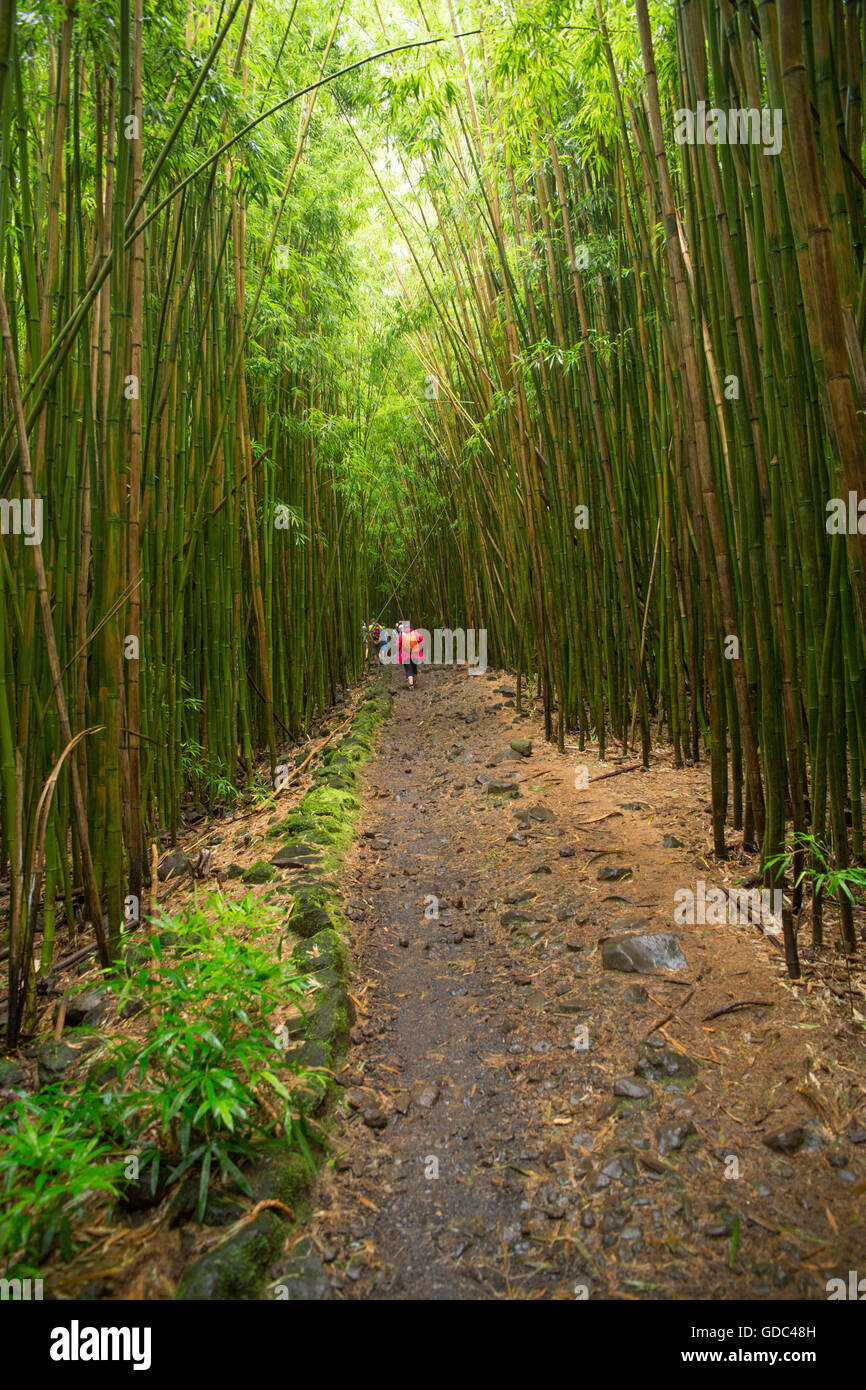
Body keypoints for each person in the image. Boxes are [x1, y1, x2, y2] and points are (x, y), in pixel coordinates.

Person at [397, 619, 423, 689]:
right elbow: (421, 639)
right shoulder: (415, 633)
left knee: (408, 669)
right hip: (415, 654)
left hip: (405, 655)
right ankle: (414, 682)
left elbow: (397, 645)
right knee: (414, 668)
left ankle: (411, 685)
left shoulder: (402, 635)